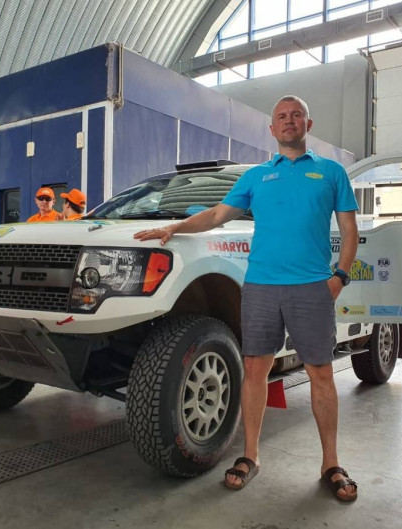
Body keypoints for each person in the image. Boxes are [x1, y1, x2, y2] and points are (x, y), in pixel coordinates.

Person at [134, 95, 360, 502]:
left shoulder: (331, 172)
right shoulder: (257, 176)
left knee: (321, 373)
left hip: (311, 287)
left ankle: (331, 463)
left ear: (308, 124)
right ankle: (251, 456)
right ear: (272, 129)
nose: (289, 121)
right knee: (254, 370)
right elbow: (216, 215)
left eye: (296, 115)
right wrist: (174, 228)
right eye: (281, 117)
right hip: (259, 287)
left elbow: (349, 230)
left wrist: (339, 277)